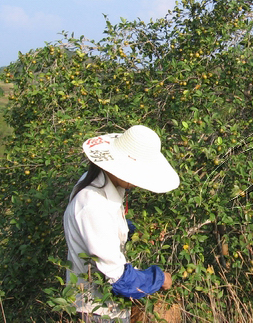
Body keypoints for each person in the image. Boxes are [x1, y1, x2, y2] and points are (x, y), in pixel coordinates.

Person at [63, 125, 180, 322]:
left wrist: (135, 231)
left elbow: (105, 227)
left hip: (106, 309)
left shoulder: (99, 183)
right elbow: (119, 279)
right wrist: (159, 278)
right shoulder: (93, 204)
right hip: (97, 311)